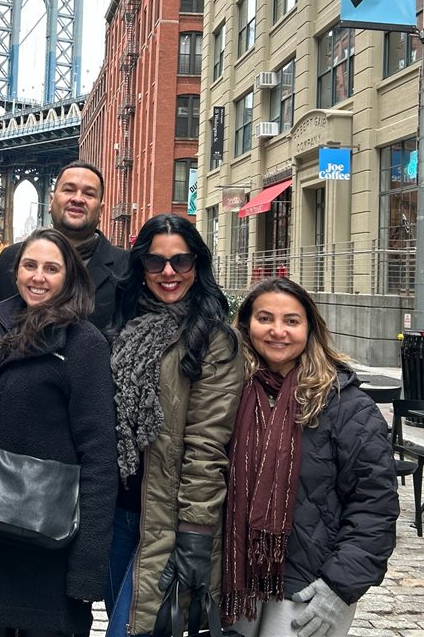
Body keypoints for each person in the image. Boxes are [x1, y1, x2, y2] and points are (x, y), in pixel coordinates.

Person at [0, 228, 117, 637]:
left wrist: (86, 569)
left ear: (69, 278)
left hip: (49, 551)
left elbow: (99, 457)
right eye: (30, 265)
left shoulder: (83, 344)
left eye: (51, 268)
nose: (38, 277)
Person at [222, 277, 398, 637]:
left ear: (310, 329)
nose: (277, 331)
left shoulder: (347, 406)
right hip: (235, 581)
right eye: (265, 318)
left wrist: (339, 587)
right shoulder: (225, 393)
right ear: (245, 324)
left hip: (310, 586)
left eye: (291, 321)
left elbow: (374, 505)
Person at [104, 213, 245, 637]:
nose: (168, 272)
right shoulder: (122, 329)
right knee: (123, 619)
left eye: (181, 262)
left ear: (197, 266)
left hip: (168, 519)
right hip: (117, 515)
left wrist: (196, 533)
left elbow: (207, 446)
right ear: (141, 267)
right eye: (156, 262)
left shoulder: (214, 341)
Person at [0, 161, 128, 331]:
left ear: (101, 210)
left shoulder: (126, 268)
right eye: (68, 190)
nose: (77, 199)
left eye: (89, 194)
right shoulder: (9, 259)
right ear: (51, 201)